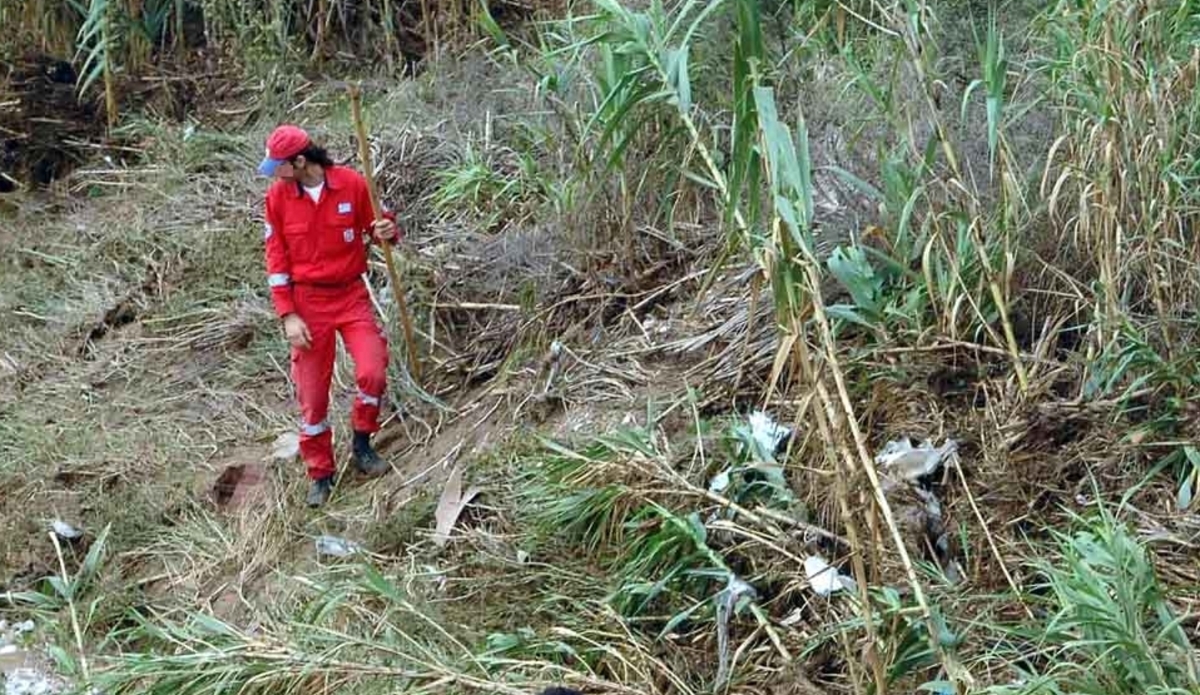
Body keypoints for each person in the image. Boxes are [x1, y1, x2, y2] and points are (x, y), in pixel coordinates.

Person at [257, 124, 402, 507]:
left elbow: (380, 225)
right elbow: (276, 259)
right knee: (312, 397)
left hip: (351, 294)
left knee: (372, 369)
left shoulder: (352, 184)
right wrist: (288, 315)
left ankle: (362, 443)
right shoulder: (277, 198)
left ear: (301, 161)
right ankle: (321, 473)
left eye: (280, 166)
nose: (274, 173)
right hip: (307, 304)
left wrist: (387, 229)